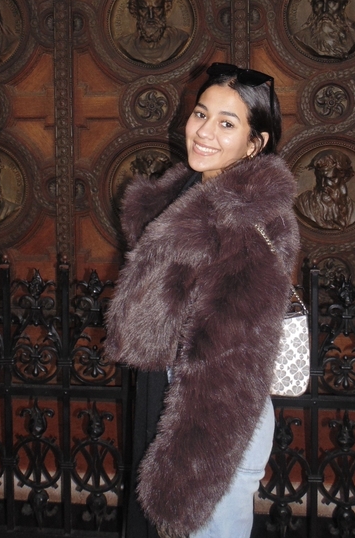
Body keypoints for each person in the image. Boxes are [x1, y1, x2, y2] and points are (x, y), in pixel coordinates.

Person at [105, 63, 300, 538]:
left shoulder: (245, 219)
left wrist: (193, 461)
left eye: (227, 123)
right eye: (201, 114)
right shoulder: (193, 194)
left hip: (212, 421)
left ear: (254, 144)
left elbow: (231, 356)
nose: (204, 132)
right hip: (176, 396)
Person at [295, 149, 355, 230]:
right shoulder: (302, 203)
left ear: (344, 178)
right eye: (319, 178)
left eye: (330, 179)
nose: (322, 184)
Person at [118, 0, 189, 64]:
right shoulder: (125, 44)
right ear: (135, 10)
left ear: (166, 7)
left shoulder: (180, 38)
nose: (151, 16)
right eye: (144, 9)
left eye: (157, 9)